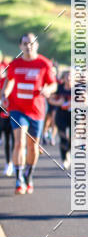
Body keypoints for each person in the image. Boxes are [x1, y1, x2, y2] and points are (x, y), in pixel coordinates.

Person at [0, 33, 57, 194]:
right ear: (20, 46)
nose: (28, 46)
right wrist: (4, 95)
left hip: (37, 111)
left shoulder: (44, 64)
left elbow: (53, 85)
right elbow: (8, 82)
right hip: (17, 109)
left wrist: (48, 89)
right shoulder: (15, 64)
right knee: (19, 142)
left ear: (36, 45)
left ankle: (29, 175)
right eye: (25, 43)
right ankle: (19, 180)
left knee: (32, 147)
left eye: (31, 43)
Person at [49, 69, 72, 168]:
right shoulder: (59, 88)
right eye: (67, 76)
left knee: (73, 139)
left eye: (71, 76)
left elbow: (87, 100)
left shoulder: (79, 88)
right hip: (61, 115)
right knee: (63, 138)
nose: (69, 78)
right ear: (63, 78)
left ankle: (68, 151)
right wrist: (58, 103)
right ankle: (64, 159)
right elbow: (50, 99)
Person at [0, 51, 14, 176]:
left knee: (15, 141)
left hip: (15, 113)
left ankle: (14, 163)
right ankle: (8, 163)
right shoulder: (2, 81)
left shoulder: (13, 80)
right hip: (3, 114)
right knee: (7, 140)